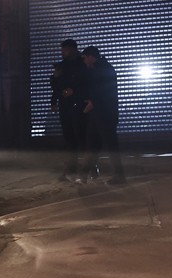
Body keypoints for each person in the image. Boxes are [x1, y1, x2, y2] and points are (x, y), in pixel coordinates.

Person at [78, 46, 126, 185]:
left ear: (90, 57)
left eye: (85, 58)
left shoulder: (102, 69)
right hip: (100, 113)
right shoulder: (101, 68)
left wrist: (92, 103)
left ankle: (119, 175)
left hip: (105, 113)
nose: (84, 61)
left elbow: (102, 91)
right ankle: (85, 174)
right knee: (92, 143)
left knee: (109, 144)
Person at [50, 39, 87, 181]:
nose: (62, 52)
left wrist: (74, 91)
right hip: (65, 105)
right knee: (69, 136)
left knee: (81, 135)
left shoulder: (82, 63)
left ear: (72, 49)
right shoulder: (63, 65)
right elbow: (56, 85)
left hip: (79, 104)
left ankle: (89, 166)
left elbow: (88, 82)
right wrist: (54, 100)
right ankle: (72, 167)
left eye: (64, 50)